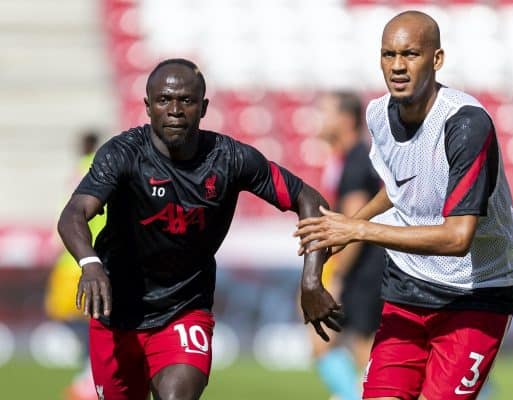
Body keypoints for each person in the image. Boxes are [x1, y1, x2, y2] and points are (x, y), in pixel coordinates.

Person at [57, 58, 341, 400]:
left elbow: (309, 200)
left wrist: (312, 279)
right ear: (147, 106)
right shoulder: (122, 154)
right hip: (116, 314)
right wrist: (90, 264)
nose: (175, 110)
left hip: (184, 311)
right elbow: (73, 214)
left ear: (203, 107)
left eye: (186, 101)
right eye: (164, 100)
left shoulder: (231, 159)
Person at [295, 10, 513, 400]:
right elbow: (398, 188)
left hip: (475, 292)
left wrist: (359, 230)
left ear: (437, 60)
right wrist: (345, 230)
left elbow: (457, 237)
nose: (397, 66)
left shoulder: (466, 124)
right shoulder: (378, 114)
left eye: (411, 54)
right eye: (388, 54)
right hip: (407, 287)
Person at [309, 92, 385, 400]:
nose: (318, 119)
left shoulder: (356, 160)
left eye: (324, 111)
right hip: (360, 269)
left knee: (365, 351)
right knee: (323, 343)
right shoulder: (345, 159)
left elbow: (353, 223)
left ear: (345, 118)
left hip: (365, 271)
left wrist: (337, 276)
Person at [45, 130, 106, 400]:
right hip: (95, 257)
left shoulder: (87, 170)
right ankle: (90, 373)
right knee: (88, 319)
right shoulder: (106, 166)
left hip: (78, 260)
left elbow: (69, 216)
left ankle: (90, 376)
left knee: (82, 318)